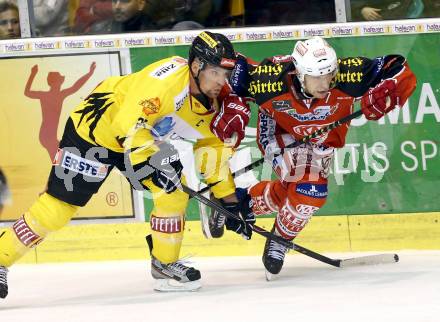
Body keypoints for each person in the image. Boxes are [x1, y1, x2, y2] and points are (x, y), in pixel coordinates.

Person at [0, 31, 254, 298]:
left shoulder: (217, 100)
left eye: (224, 74)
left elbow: (211, 148)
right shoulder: (165, 84)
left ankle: (164, 263)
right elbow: (128, 125)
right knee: (58, 208)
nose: (220, 81)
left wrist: (230, 202)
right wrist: (157, 162)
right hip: (94, 132)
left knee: (175, 191)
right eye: (215, 72)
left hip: (138, 138)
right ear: (196, 66)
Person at [208, 36, 417, 279]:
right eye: (316, 75)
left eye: (329, 74)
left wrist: (389, 90)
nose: (325, 82)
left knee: (295, 192)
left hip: (320, 139)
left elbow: (399, 68)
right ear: (298, 72)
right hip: (279, 131)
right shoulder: (269, 80)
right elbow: (237, 69)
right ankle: (280, 239)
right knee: (310, 188)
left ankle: (241, 202)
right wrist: (232, 107)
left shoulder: (350, 74)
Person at [89, 0, 153, 34]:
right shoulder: (98, 31)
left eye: (124, 1)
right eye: (114, 1)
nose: (117, 6)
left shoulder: (155, 31)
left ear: (140, 4)